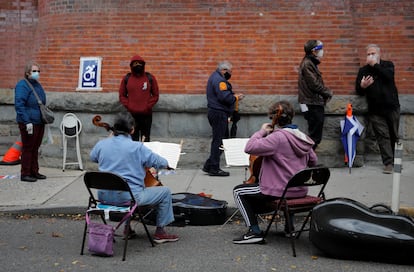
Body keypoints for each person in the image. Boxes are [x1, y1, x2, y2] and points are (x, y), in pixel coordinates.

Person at [232, 100, 317, 244]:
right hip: (299, 190)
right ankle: (289, 229)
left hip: (280, 190)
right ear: (292, 116)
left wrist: (262, 131)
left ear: (274, 119)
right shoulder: (302, 137)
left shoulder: (277, 138)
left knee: (239, 192)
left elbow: (250, 147)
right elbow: (313, 161)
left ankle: (254, 232)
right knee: (286, 186)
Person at [90, 112, 179, 244]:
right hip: (129, 197)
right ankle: (160, 233)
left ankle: (128, 228)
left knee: (128, 187)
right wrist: (167, 164)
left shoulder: (101, 144)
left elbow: (93, 157)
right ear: (132, 130)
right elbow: (160, 162)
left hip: (104, 196)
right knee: (164, 192)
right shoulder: (137, 148)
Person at [355, 44, 400, 174]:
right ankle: (388, 163)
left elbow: (389, 77)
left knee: (394, 135)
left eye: (373, 53)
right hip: (375, 110)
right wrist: (362, 86)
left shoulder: (387, 65)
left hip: (392, 107)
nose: (370, 56)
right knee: (382, 136)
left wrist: (375, 65)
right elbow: (358, 90)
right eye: (368, 54)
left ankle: (397, 161)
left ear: (379, 54)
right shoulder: (363, 70)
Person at [202, 61, 244, 176]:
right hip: (219, 113)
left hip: (216, 112)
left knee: (221, 139)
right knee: (219, 140)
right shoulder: (220, 80)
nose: (230, 74)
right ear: (224, 70)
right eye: (230, 72)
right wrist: (235, 97)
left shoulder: (214, 77)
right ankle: (214, 167)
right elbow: (224, 97)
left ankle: (209, 165)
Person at [14, 61, 48, 182]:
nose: (37, 73)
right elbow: (19, 105)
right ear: (27, 72)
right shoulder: (22, 85)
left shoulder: (37, 84)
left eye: (38, 71)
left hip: (39, 122)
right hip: (28, 122)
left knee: (35, 147)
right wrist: (27, 121)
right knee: (28, 148)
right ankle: (25, 173)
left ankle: (34, 171)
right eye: (34, 71)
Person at [298, 40, 333, 150]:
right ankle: (307, 162)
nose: (322, 51)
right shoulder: (307, 64)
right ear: (314, 51)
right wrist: (327, 92)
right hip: (312, 103)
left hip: (313, 103)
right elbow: (314, 84)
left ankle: (308, 161)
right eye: (320, 48)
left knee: (314, 136)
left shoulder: (310, 63)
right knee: (314, 137)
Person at [119, 55, 159, 142]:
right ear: (131, 66)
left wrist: (147, 106)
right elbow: (122, 96)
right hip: (132, 115)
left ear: (143, 65)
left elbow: (155, 95)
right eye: (135, 64)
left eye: (140, 64)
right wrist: (129, 106)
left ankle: (144, 155)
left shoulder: (150, 78)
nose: (137, 66)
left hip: (146, 115)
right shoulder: (127, 79)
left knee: (146, 139)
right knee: (132, 139)